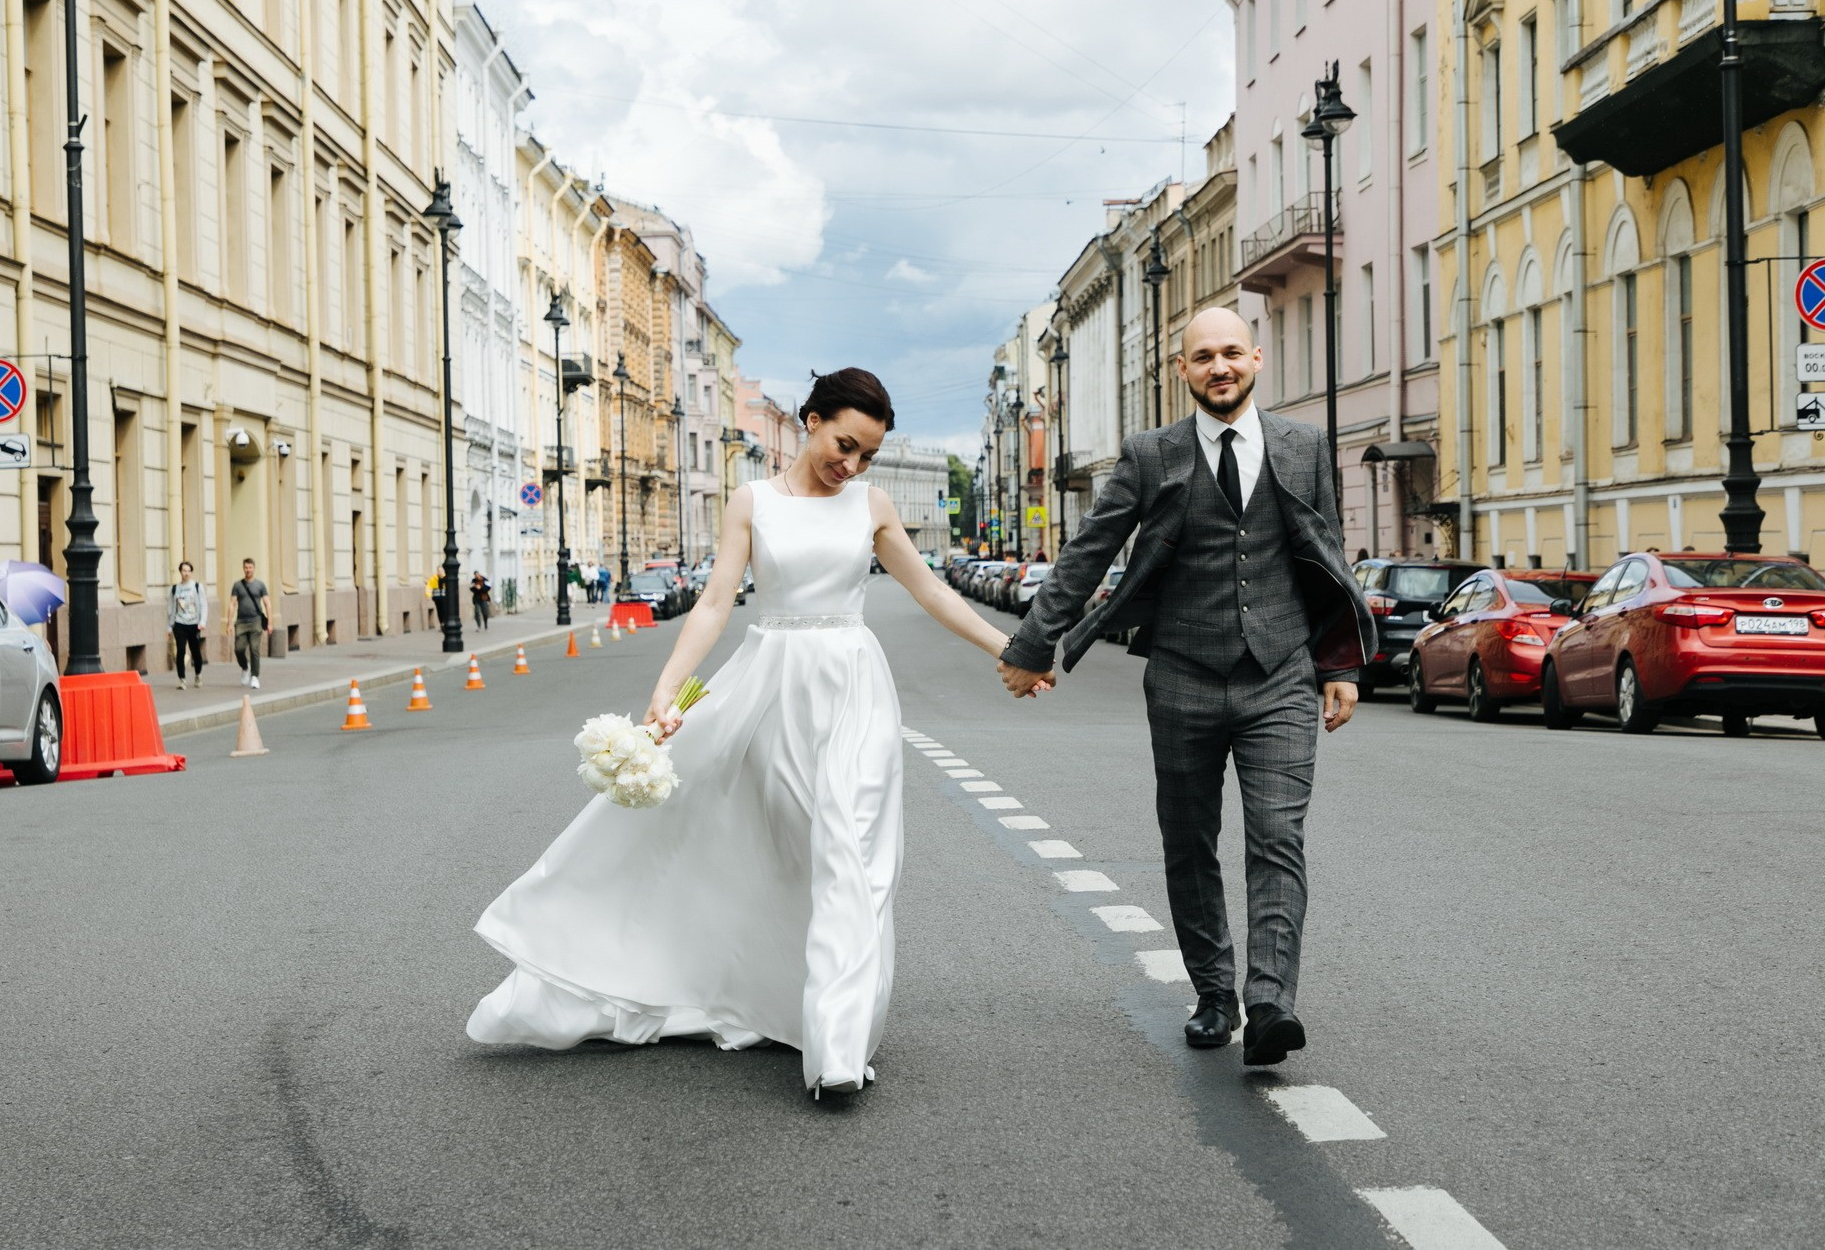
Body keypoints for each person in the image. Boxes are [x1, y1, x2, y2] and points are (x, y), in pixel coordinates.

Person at [465, 368, 1037, 1097]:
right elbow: (710, 605)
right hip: (774, 688)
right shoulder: (752, 502)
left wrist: (1010, 649)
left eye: (866, 454)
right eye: (843, 444)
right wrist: (667, 688)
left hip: (856, 686)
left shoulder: (872, 504)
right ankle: (771, 997)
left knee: (853, 851)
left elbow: (931, 591)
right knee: (798, 852)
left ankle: (837, 1047)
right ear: (810, 419)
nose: (852, 465)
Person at [997, 308, 1375, 1069]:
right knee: (1189, 842)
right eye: (1203, 357)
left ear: (1257, 360)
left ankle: (1270, 1002)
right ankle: (1213, 993)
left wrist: (1338, 666)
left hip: (1281, 678)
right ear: (1183, 371)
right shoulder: (1151, 455)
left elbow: (1326, 558)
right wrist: (1032, 645)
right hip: (1181, 678)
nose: (1219, 367)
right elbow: (1086, 553)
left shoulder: (1303, 447)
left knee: (1277, 839)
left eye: (1232, 353)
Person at [224, 558, 270, 690]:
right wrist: (229, 623)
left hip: (256, 621)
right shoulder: (237, 585)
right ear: (243, 568)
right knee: (239, 649)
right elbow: (232, 604)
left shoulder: (260, 585)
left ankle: (255, 676)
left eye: (250, 568)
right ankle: (245, 667)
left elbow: (267, 603)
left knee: (254, 649)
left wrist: (270, 623)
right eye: (246, 568)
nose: (248, 570)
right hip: (241, 622)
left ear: (254, 568)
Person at [168, 561, 208, 689]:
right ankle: (182, 680)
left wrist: (202, 622)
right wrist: (169, 626)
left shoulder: (196, 586)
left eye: (188, 571)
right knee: (180, 651)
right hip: (179, 624)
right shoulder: (175, 588)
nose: (186, 573)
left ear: (191, 572)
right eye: (184, 570)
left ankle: (198, 675)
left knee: (195, 651)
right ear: (180, 572)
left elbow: (203, 605)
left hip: (194, 624)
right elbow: (171, 608)